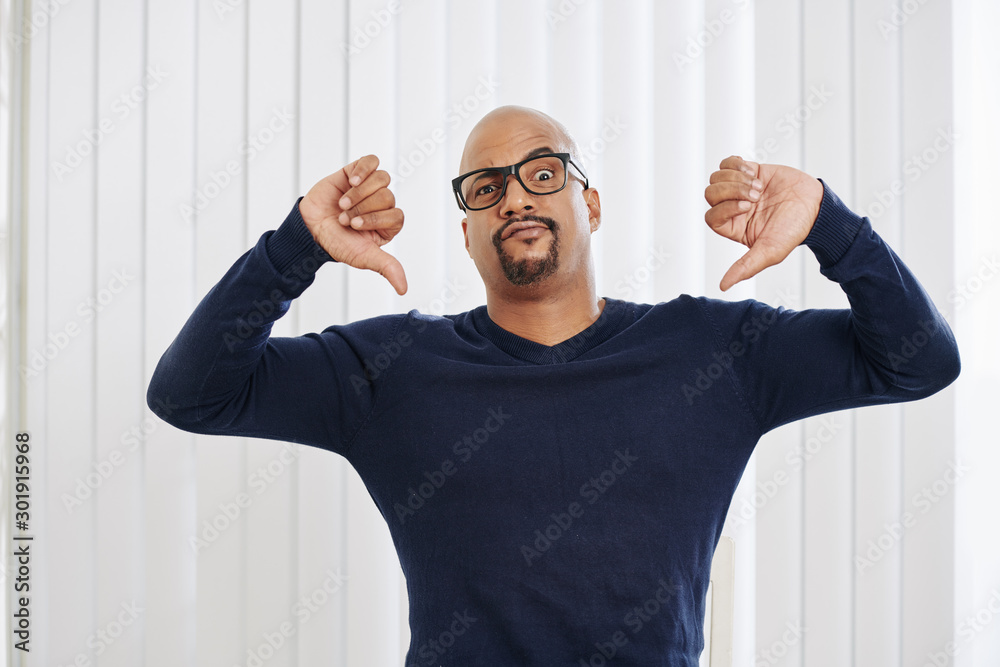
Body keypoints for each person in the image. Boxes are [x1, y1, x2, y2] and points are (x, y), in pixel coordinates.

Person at [147, 105, 960, 665]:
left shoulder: (716, 352)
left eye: (542, 170)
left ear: (590, 202)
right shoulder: (391, 372)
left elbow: (919, 358)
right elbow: (191, 393)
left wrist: (829, 223)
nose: (514, 199)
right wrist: (297, 245)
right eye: (486, 187)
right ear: (465, 228)